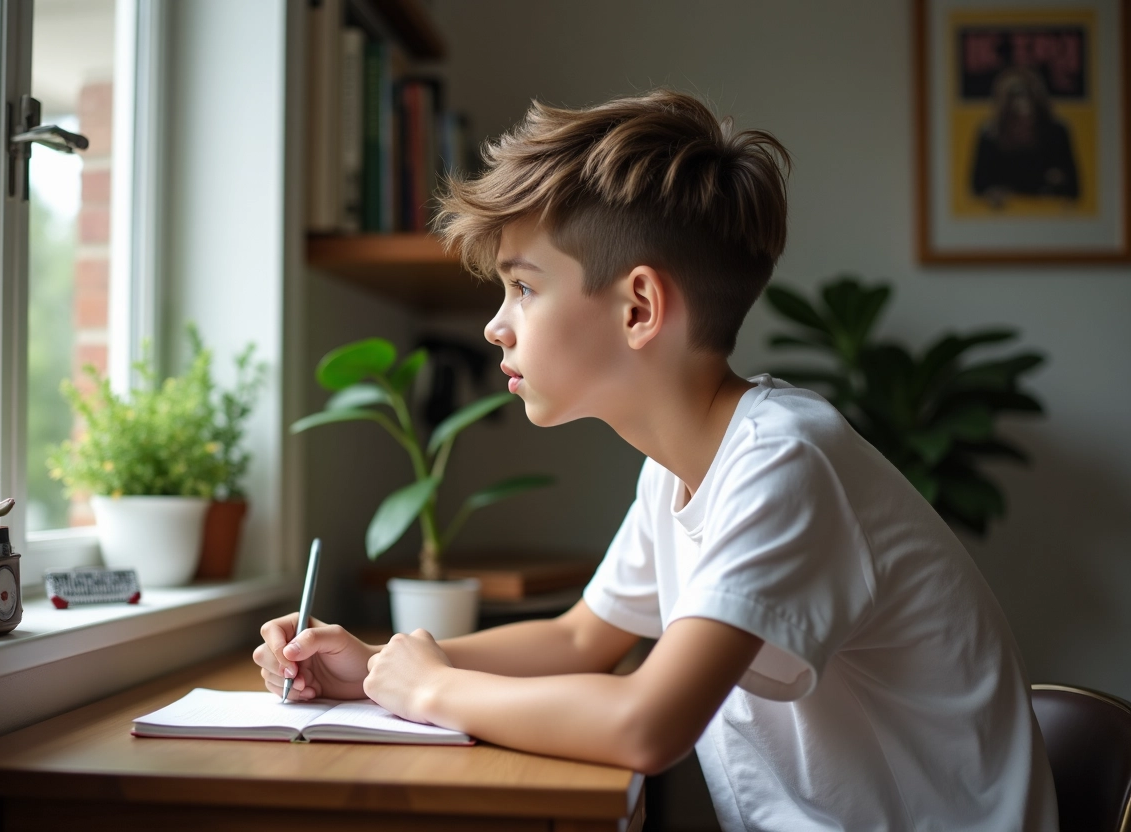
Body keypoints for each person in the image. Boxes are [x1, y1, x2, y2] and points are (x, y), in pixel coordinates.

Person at [255, 89, 1057, 831]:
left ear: (638, 307)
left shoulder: (784, 461)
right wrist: (376, 667)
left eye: (523, 288)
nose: (497, 326)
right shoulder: (678, 466)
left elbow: (646, 724)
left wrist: (432, 688)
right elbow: (579, 641)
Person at [971, 66, 1079, 208]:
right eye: (1015, 115)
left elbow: (1073, 189)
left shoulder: (1056, 134)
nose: (1022, 105)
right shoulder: (990, 136)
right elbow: (978, 187)